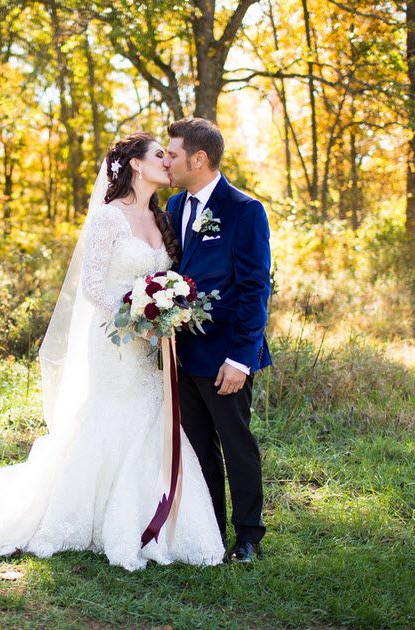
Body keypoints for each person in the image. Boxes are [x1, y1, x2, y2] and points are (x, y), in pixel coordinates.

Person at [0, 132, 225, 571]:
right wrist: (139, 318)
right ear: (136, 165)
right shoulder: (108, 218)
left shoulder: (163, 220)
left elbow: (167, 278)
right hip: (115, 342)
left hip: (149, 348)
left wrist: (164, 315)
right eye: (159, 155)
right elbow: (94, 286)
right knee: (114, 417)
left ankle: (152, 521)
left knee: (151, 418)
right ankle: (91, 517)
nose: (167, 163)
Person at [164, 117, 273, 563]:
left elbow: (254, 290)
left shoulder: (244, 210)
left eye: (172, 154)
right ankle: (209, 529)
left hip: (226, 356)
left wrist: (241, 359)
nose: (166, 161)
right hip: (182, 354)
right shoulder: (173, 206)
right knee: (198, 447)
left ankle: (248, 537)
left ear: (198, 158)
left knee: (236, 445)